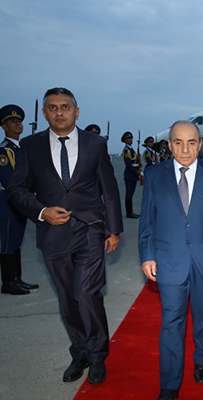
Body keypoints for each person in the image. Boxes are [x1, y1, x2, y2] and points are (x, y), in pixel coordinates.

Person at [8, 87, 123, 385]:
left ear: (76, 111)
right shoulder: (30, 146)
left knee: (86, 293)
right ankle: (80, 351)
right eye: (53, 107)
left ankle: (97, 356)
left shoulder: (96, 143)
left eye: (65, 106)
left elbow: (109, 189)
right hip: (53, 233)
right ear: (44, 113)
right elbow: (16, 189)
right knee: (67, 298)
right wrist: (41, 211)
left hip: (89, 230)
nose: (59, 112)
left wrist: (114, 230)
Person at [138, 120, 203, 400]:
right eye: (178, 142)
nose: (185, 149)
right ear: (169, 145)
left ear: (200, 144)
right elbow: (147, 221)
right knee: (171, 321)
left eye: (191, 142)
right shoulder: (154, 175)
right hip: (168, 260)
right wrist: (147, 255)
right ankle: (169, 384)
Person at [0, 104, 38, 295]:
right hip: (8, 202)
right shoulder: (4, 151)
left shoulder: (20, 148)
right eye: (12, 121)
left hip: (20, 201)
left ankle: (16, 279)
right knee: (8, 242)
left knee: (16, 241)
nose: (18, 124)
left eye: (19, 121)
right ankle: (8, 283)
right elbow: (9, 181)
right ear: (4, 126)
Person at [121, 131, 140, 218]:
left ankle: (131, 211)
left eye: (131, 138)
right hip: (130, 174)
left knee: (131, 194)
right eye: (128, 139)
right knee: (129, 194)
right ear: (125, 141)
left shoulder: (131, 150)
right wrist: (135, 171)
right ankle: (129, 212)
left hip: (133, 174)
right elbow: (128, 164)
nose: (130, 140)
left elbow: (135, 161)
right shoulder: (126, 150)